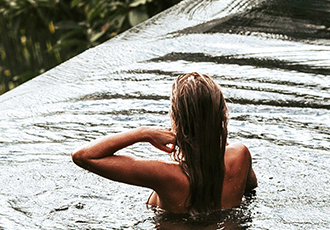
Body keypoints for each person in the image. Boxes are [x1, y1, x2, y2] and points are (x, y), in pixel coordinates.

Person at [70, 72, 257, 214]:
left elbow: (82, 156)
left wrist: (143, 133)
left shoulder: (165, 175)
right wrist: (210, 134)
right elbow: (250, 187)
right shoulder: (241, 155)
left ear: (176, 119)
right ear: (222, 115)